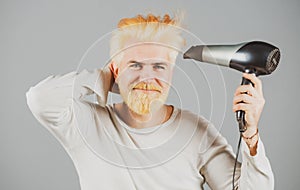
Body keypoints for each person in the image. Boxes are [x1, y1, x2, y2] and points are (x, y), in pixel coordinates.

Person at [26, 13, 274, 190]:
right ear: (115, 68)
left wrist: (251, 137)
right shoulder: (88, 124)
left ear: (172, 72)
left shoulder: (196, 131)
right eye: (135, 65)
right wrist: (103, 79)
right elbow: (40, 98)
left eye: (159, 66)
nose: (147, 77)